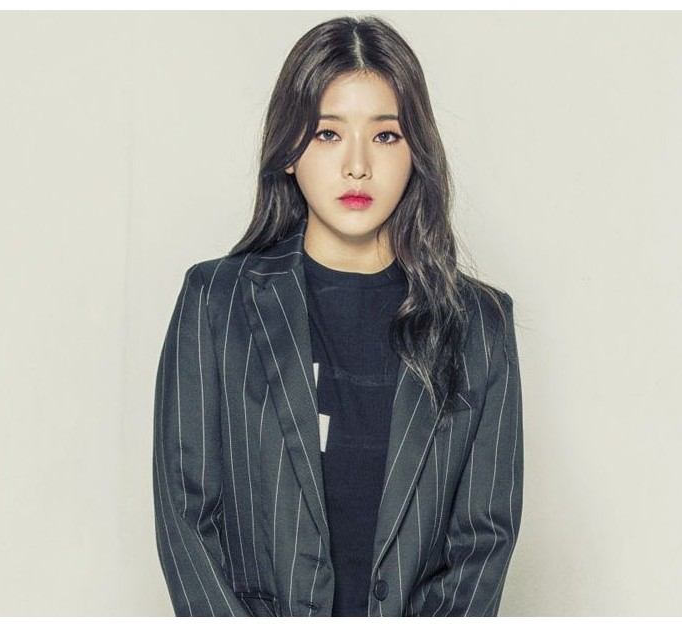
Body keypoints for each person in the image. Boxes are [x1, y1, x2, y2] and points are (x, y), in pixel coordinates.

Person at [152, 15, 523, 617]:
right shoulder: (216, 301)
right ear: (288, 151)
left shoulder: (480, 324)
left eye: (385, 136)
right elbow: (186, 517)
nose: (357, 165)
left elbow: (484, 539)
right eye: (328, 133)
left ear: (417, 152)